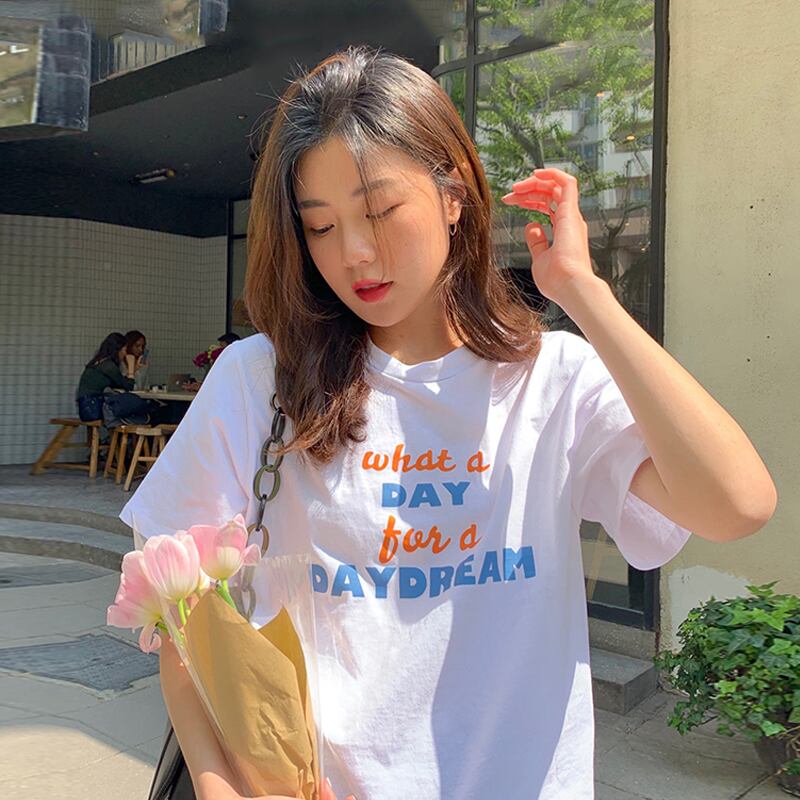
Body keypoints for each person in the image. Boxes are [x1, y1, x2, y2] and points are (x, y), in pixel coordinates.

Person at [119, 47, 777, 800]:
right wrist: (217, 784)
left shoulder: (553, 380)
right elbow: (178, 610)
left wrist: (584, 293)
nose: (354, 253)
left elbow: (736, 504)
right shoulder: (260, 380)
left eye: (379, 211)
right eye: (321, 226)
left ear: (454, 194)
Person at [76, 332, 134, 421]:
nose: (125, 354)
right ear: (118, 350)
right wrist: (131, 367)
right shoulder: (108, 366)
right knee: (132, 410)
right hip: (92, 407)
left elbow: (119, 383)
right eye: (124, 350)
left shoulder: (100, 362)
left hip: (86, 406)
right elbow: (128, 386)